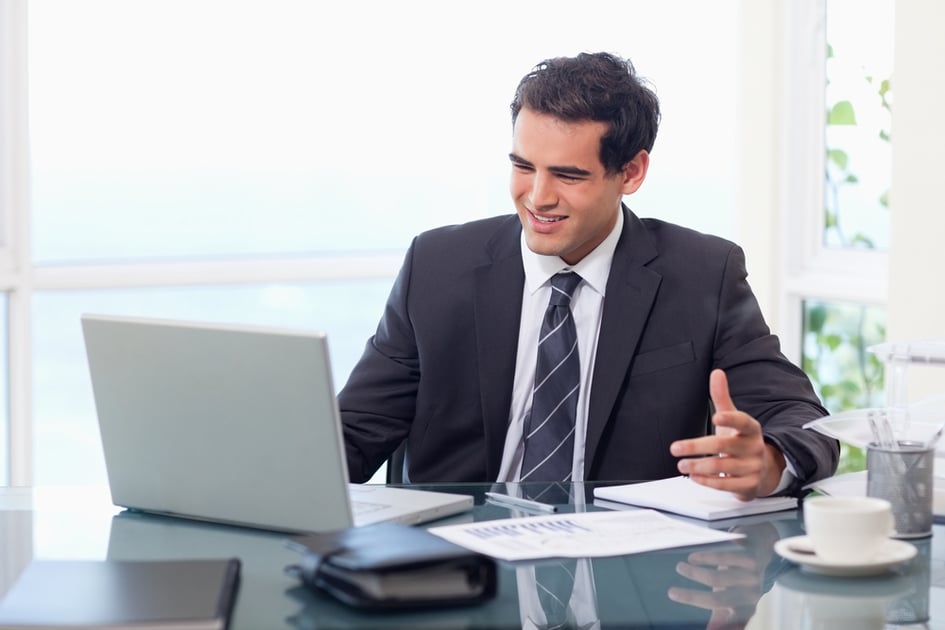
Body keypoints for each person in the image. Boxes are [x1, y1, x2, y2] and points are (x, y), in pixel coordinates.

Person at [338, 51, 838, 499]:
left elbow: (803, 420)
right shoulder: (436, 265)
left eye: (568, 175)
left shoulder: (703, 274)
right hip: (459, 556)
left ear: (631, 173)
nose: (537, 197)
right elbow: (353, 432)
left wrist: (770, 461)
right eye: (523, 167)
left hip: (628, 556)